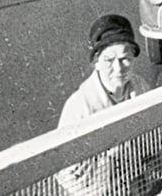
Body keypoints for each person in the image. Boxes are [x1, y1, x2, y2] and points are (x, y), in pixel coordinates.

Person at [56, 14, 152, 195]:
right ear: (96, 63)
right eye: (109, 60)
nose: (119, 68)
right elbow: (68, 172)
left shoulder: (140, 87)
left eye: (125, 58)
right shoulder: (80, 107)